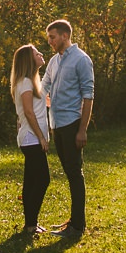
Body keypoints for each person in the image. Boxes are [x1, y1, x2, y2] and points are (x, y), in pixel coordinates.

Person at [41, 18, 94, 237]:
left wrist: (82, 130)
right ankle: (74, 220)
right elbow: (43, 87)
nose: (50, 42)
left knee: (75, 173)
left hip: (73, 124)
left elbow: (88, 96)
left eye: (52, 37)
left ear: (65, 36)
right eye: (49, 38)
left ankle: (77, 226)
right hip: (57, 125)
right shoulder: (54, 61)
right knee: (70, 173)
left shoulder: (81, 60)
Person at [9, 43, 52, 237]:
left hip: (30, 137)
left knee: (31, 181)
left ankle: (30, 224)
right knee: (42, 179)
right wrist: (41, 137)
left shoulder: (31, 82)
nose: (41, 54)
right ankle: (31, 224)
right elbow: (27, 111)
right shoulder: (25, 82)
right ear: (29, 59)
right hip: (32, 138)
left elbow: (38, 104)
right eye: (37, 53)